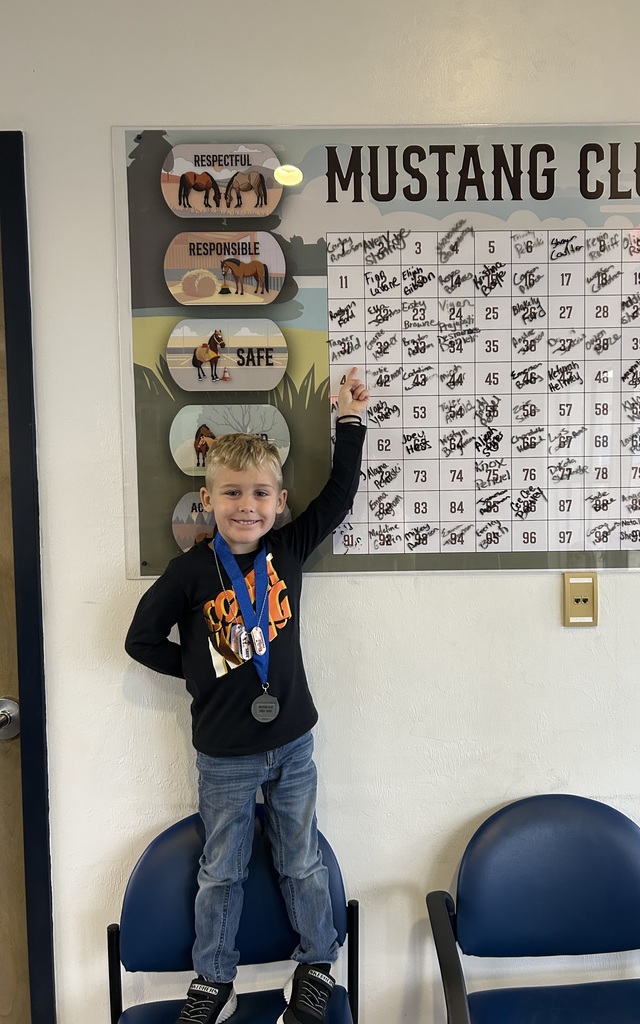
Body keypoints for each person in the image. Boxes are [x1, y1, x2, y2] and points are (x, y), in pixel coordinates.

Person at [125, 369, 369, 1024]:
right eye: (232, 492)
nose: (247, 504)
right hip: (225, 757)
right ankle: (214, 979)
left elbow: (340, 497)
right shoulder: (189, 573)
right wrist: (200, 672)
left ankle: (316, 963)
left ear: (279, 499)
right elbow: (140, 640)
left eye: (260, 492)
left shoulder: (287, 549)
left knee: (302, 860)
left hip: (292, 746)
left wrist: (349, 421)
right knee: (220, 871)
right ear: (207, 500)